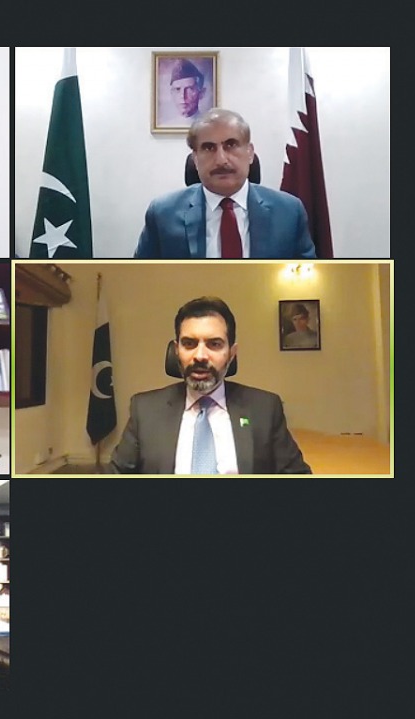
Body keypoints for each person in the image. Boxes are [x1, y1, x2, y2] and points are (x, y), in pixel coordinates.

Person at [109, 296, 311, 474]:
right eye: (189, 343)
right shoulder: (145, 410)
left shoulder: (264, 408)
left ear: (232, 353)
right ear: (176, 350)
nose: (200, 356)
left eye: (214, 344)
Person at [134, 108, 316, 259]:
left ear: (250, 152)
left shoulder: (289, 212)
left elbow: (308, 285)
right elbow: (140, 282)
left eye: (231, 145)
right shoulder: (162, 214)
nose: (221, 160)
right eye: (208, 147)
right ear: (195, 159)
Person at [165, 58, 206, 124]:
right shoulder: (166, 126)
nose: (183, 96)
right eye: (177, 89)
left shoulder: (209, 127)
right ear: (171, 93)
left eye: (189, 89)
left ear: (201, 93)